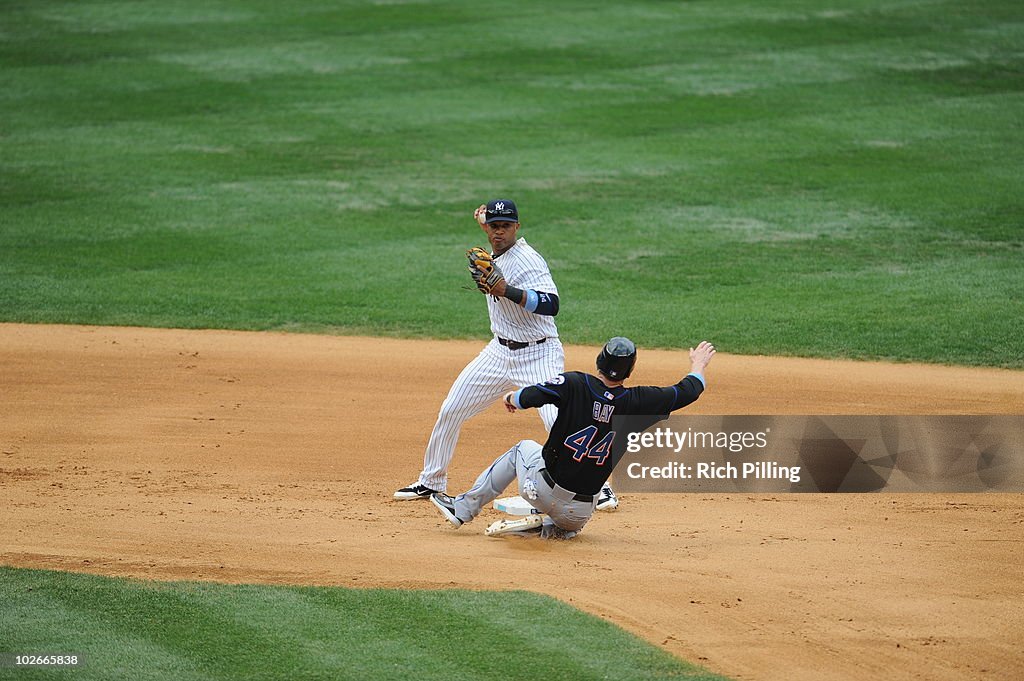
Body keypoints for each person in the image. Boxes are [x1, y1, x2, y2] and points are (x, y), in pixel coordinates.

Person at [394, 199, 620, 511]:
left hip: (538, 354)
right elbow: (491, 225)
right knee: (451, 409)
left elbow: (552, 303)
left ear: (517, 227)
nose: (499, 232)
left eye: (506, 226)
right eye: (493, 226)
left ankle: (600, 488)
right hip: (498, 353)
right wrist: (485, 219)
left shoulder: (528, 260)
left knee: (557, 421)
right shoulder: (495, 246)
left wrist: (508, 291)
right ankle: (432, 481)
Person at [429, 337, 716, 539]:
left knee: (522, 449)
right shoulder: (640, 402)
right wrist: (698, 363)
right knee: (572, 514)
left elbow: (530, 396)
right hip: (580, 513)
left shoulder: (575, 383)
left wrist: (511, 397)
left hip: (540, 490)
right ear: (630, 370)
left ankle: (463, 509)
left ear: (600, 361)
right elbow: (689, 391)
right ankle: (555, 528)